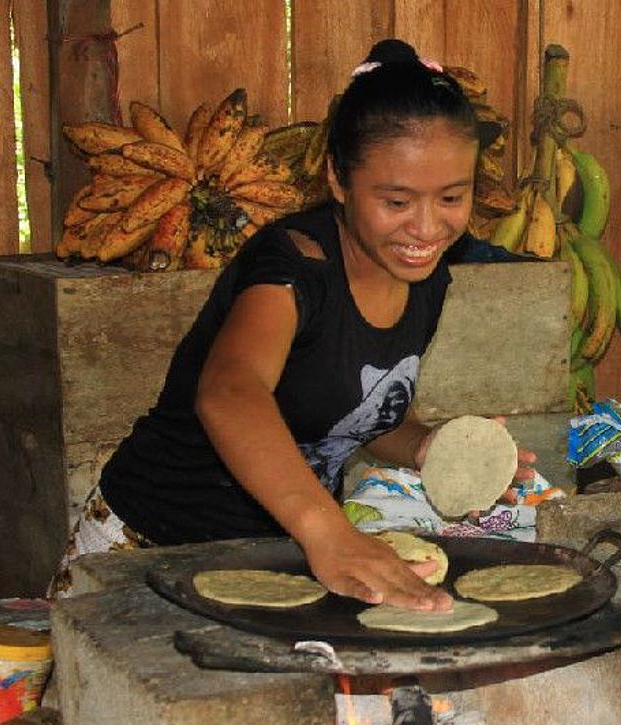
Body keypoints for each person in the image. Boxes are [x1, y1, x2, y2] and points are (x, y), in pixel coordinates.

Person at [50, 38, 533, 607]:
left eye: (451, 197)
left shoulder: (426, 278)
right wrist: (328, 531)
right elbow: (229, 392)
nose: (426, 228)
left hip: (276, 560)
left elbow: (346, 408)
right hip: (149, 548)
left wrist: (429, 446)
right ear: (337, 179)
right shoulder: (291, 268)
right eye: (397, 202)